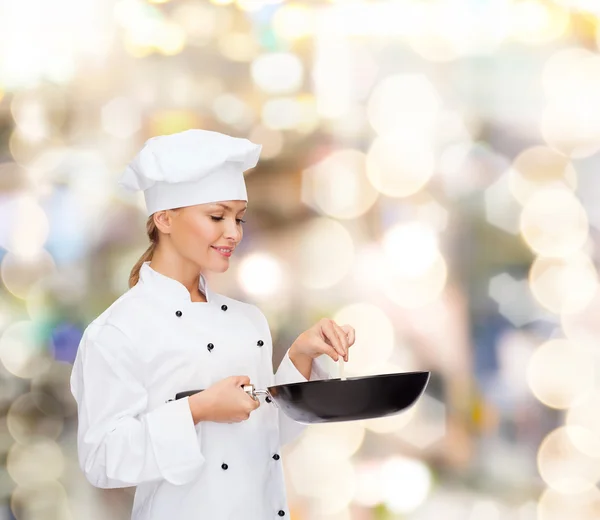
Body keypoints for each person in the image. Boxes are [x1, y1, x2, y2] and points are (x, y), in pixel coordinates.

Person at [69, 129, 356, 520]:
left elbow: (266, 438)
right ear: (165, 218)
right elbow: (103, 460)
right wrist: (197, 410)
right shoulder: (118, 331)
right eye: (216, 216)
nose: (233, 233)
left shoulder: (247, 320)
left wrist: (302, 355)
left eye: (238, 218)